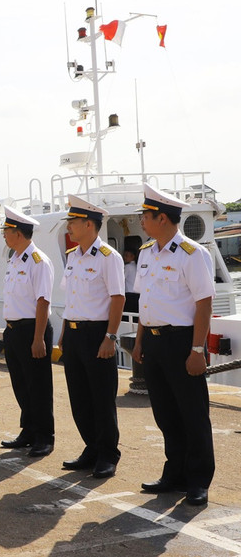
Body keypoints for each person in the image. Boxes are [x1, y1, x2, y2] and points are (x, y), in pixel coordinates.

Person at [132, 183, 215, 506]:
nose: (141, 220)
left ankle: (198, 480)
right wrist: (140, 341)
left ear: (162, 218)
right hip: (153, 343)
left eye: (146, 215)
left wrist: (197, 350)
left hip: (182, 342)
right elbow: (146, 302)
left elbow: (203, 304)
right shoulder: (146, 253)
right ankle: (175, 473)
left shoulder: (192, 254)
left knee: (193, 413)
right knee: (165, 413)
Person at [59, 195, 125, 479]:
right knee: (79, 397)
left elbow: (118, 298)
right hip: (74, 334)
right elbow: (71, 299)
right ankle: (92, 447)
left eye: (72, 221)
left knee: (101, 397)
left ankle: (108, 454)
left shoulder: (109, 257)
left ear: (89, 224)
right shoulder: (73, 256)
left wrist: (110, 336)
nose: (69, 227)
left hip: (97, 333)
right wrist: (64, 332)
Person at [0, 206, 55, 457]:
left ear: (18, 233)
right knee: (21, 385)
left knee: (38, 387)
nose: (3, 234)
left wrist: (39, 338)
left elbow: (43, 301)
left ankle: (44, 436)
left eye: (6, 230)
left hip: (32, 329)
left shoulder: (38, 261)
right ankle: (28, 431)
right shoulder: (14, 259)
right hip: (13, 331)